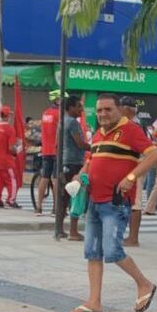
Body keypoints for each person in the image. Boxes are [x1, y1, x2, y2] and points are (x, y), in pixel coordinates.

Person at [68, 94, 157, 312]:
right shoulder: (99, 133)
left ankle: (144, 284)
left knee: (112, 251)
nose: (102, 114)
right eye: (99, 110)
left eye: (108, 109)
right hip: (94, 201)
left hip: (115, 203)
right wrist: (80, 176)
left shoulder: (131, 130)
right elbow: (90, 160)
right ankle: (94, 302)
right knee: (92, 253)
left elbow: (154, 154)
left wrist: (130, 177)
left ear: (119, 109)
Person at [58, 95, 90, 241]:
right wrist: (95, 147)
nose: (81, 109)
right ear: (70, 107)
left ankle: (59, 229)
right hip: (74, 163)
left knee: (64, 197)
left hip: (64, 161)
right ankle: (73, 231)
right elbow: (80, 143)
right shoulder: (73, 123)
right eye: (78, 106)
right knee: (76, 196)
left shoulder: (62, 121)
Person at [120, 97, 146, 245]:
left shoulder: (133, 125)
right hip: (131, 167)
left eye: (120, 108)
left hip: (136, 167)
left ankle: (133, 238)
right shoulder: (133, 123)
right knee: (129, 201)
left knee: (135, 202)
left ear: (128, 110)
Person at [37, 90, 61, 215]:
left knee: (44, 178)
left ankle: (39, 207)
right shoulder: (60, 114)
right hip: (57, 150)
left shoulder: (45, 113)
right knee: (56, 179)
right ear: (57, 100)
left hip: (46, 149)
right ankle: (55, 208)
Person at [0, 105, 18, 208]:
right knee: (11, 180)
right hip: (6, 160)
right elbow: (11, 148)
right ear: (8, 116)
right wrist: (16, 152)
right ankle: (11, 200)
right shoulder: (10, 129)